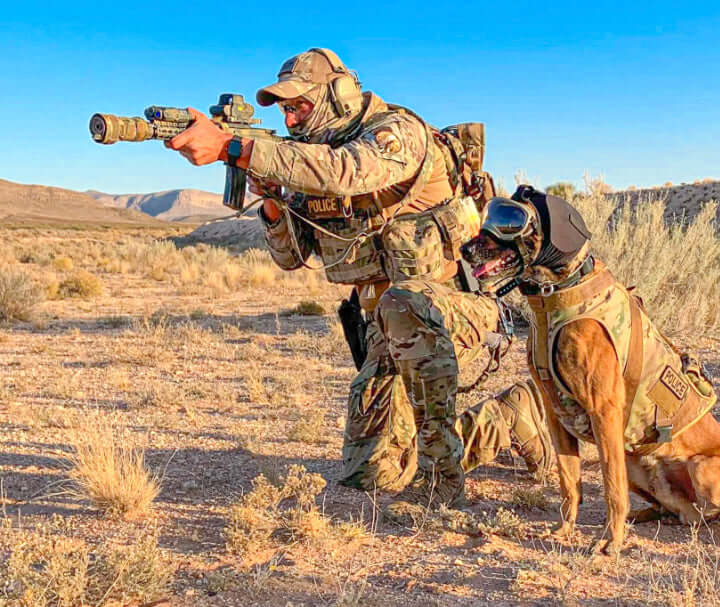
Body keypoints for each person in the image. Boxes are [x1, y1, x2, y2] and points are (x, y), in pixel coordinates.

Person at [165, 47, 553, 506]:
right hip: (383, 331)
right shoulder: (309, 160)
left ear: (339, 94)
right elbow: (291, 258)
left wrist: (238, 148)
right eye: (286, 111)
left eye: (299, 106)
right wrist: (271, 200)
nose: (291, 121)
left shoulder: (395, 133)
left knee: (418, 465)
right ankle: (511, 417)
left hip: (450, 313)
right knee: (373, 477)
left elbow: (347, 173)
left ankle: (485, 440)